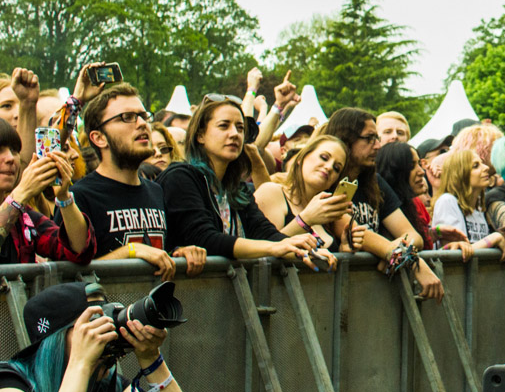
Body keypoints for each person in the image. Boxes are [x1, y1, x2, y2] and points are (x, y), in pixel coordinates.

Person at [159, 97, 332, 270]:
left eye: (240, 128)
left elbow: (264, 233)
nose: (234, 133)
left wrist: (307, 250)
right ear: (200, 135)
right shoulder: (180, 177)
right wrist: (275, 247)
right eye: (223, 126)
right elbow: (204, 238)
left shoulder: (237, 188)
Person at [0, 281, 193, 392]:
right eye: (92, 324)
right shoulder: (8, 386)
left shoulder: (99, 382)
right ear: (56, 340)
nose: (102, 333)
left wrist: (152, 360)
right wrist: (80, 363)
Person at [63, 85, 205, 280]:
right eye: (127, 117)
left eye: (143, 115)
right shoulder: (79, 196)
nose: (142, 124)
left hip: (155, 308)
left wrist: (182, 254)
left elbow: (163, 253)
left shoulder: (157, 191)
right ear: (99, 138)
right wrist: (130, 251)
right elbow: (68, 276)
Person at [320, 108, 443, 300]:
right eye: (369, 138)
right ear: (346, 138)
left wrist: (394, 251)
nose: (378, 146)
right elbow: (352, 230)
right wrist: (407, 259)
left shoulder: (375, 182)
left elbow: (414, 236)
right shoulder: (326, 182)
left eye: (377, 138)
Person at [0, 119, 95, 265]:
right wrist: (20, 193)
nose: (11, 159)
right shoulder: (18, 202)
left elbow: (79, 250)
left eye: (14, 150)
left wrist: (64, 198)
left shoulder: (24, 216)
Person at [254, 135, 360, 252]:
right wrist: (305, 220)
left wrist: (343, 250)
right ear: (301, 158)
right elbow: (265, 251)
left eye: (336, 168)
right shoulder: (272, 192)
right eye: (324, 157)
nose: (329, 167)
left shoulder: (326, 213)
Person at [376, 142, 468, 252]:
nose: (421, 172)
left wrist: (432, 234)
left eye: (419, 164)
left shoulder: (410, 207)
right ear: (394, 171)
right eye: (411, 166)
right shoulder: (384, 215)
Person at [431, 150, 505, 260]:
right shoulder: (447, 201)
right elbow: (455, 255)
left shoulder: (478, 208)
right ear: (459, 174)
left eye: (482, 163)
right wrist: (493, 239)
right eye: (476, 166)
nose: (486, 168)